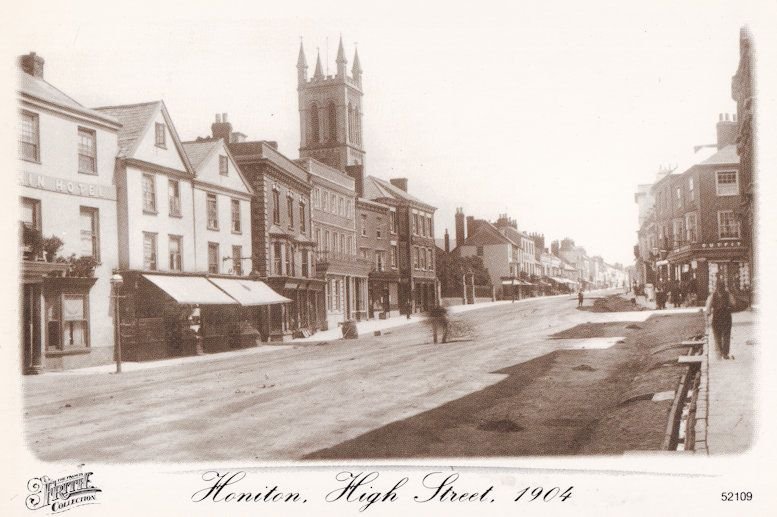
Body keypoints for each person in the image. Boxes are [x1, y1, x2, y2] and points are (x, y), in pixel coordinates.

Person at [705, 278, 737, 360]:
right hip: (726, 316)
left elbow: (708, 307)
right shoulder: (728, 294)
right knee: (726, 335)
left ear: (716, 287)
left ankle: (721, 351)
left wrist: (708, 315)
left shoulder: (712, 295)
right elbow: (733, 303)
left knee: (717, 335)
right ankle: (725, 353)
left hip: (717, 317)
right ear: (724, 287)